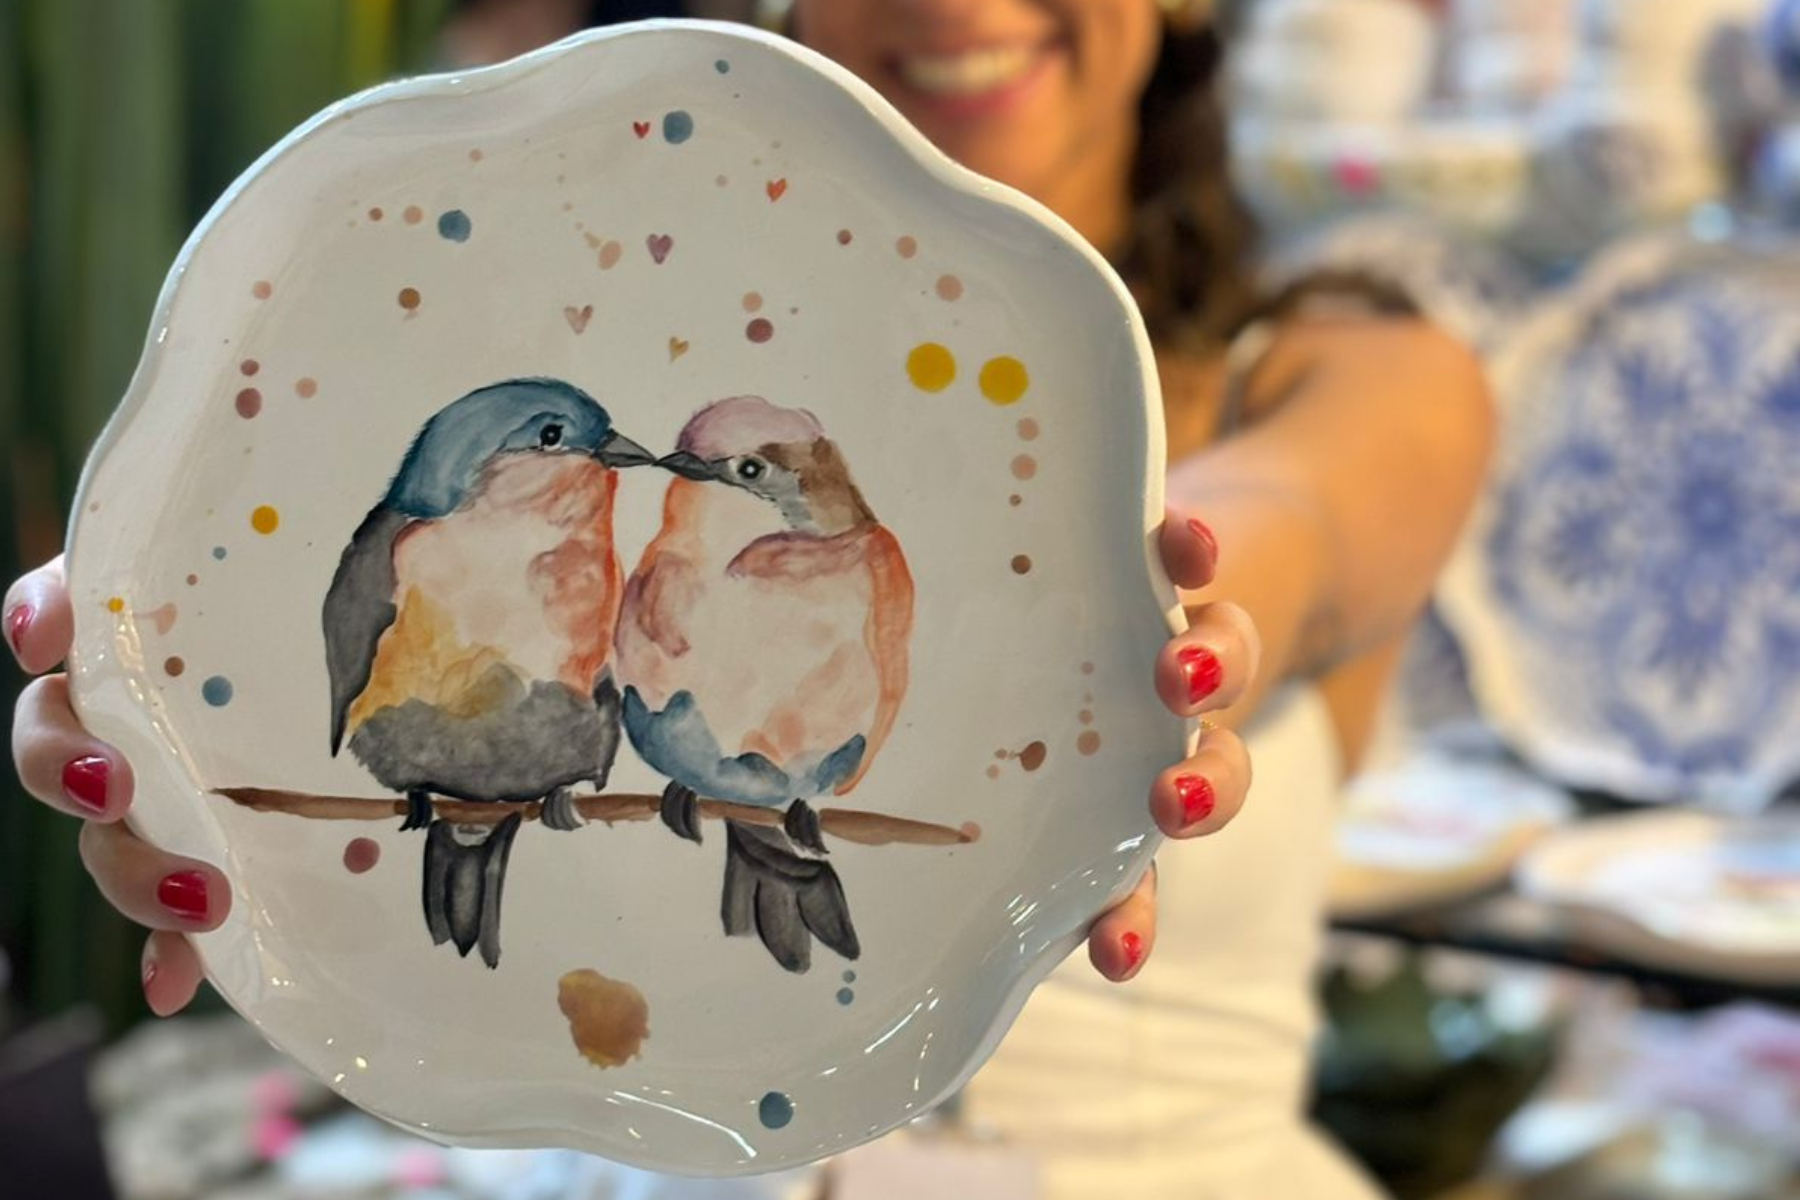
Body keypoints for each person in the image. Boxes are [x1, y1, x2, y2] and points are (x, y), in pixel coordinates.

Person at [6, 1, 1492, 1196]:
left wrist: (1144, 642)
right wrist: (177, 671)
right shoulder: (662, 396)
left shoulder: (1358, 372)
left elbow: (1277, 535)